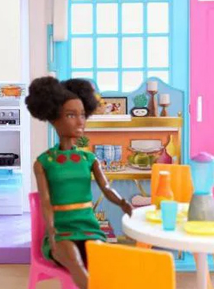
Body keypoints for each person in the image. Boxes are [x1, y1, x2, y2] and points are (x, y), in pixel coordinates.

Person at [26, 76, 133, 289]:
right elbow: (46, 202)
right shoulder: (44, 162)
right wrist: (51, 231)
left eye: (83, 115)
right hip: (62, 232)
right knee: (75, 263)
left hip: (90, 230)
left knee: (105, 264)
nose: (80, 121)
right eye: (71, 115)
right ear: (54, 119)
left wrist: (123, 203)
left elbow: (107, 188)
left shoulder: (89, 159)